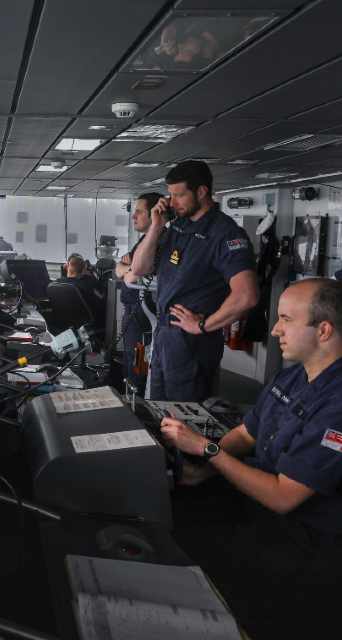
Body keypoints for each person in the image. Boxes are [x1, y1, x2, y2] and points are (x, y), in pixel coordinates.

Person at [161, 279, 342, 637]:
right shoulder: (292, 378)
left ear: (323, 330)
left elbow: (283, 497)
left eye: (286, 319)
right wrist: (201, 472)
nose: (274, 329)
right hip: (261, 507)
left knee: (184, 554)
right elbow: (246, 434)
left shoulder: (336, 406)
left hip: (308, 541)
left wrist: (207, 450)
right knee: (172, 512)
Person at [131, 161, 259, 401]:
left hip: (191, 342)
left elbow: (247, 295)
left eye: (179, 195)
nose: (172, 202)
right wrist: (156, 227)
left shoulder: (225, 233)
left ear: (202, 191)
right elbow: (139, 268)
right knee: (160, 414)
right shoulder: (177, 225)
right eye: (170, 195)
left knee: (184, 419)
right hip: (164, 335)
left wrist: (203, 325)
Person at [115, 193, 162, 396]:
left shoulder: (158, 241)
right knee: (130, 359)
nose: (134, 217)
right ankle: (129, 400)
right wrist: (129, 269)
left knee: (139, 362)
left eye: (139, 212)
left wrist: (130, 270)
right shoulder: (144, 240)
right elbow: (119, 269)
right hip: (134, 311)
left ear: (154, 215)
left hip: (145, 314)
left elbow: (131, 277)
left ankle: (137, 407)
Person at [54, 254, 105, 319]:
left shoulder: (54, 284)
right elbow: (102, 303)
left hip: (60, 323)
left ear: (67, 268)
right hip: (83, 325)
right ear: (82, 273)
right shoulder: (85, 287)